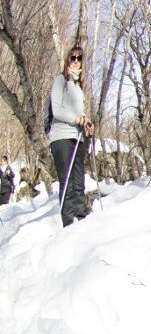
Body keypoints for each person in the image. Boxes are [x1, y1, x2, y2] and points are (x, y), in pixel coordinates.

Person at [48, 45, 94, 226]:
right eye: (72, 58)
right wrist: (76, 119)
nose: (75, 61)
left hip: (77, 138)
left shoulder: (78, 87)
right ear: (67, 59)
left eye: (79, 58)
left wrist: (87, 123)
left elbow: (80, 113)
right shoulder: (61, 80)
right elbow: (57, 110)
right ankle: (68, 225)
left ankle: (82, 221)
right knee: (67, 181)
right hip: (61, 137)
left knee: (79, 182)